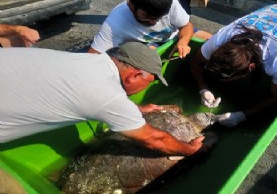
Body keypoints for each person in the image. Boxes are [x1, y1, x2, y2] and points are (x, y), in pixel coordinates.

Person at [0, 42, 208, 156]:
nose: (148, 85)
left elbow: (87, 93)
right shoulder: (108, 96)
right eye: (150, 81)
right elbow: (154, 140)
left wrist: (134, 108)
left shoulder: (88, 61)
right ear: (134, 75)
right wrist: (190, 149)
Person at [88, 0, 211, 58]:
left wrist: (183, 42)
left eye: (159, 17)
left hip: (176, 35)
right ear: (131, 5)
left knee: (212, 41)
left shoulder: (170, 2)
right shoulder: (115, 22)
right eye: (147, 17)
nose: (153, 22)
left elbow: (186, 26)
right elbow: (92, 57)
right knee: (149, 56)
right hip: (149, 45)